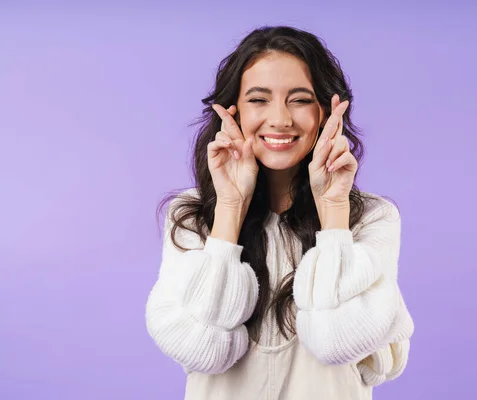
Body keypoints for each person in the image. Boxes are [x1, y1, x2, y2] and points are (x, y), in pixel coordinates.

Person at [145, 25, 414, 400]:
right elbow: (199, 349)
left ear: (326, 110)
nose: (280, 119)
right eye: (259, 99)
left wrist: (333, 208)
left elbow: (338, 342)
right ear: (233, 111)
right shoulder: (191, 218)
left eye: (300, 99)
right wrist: (230, 207)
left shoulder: (372, 218)